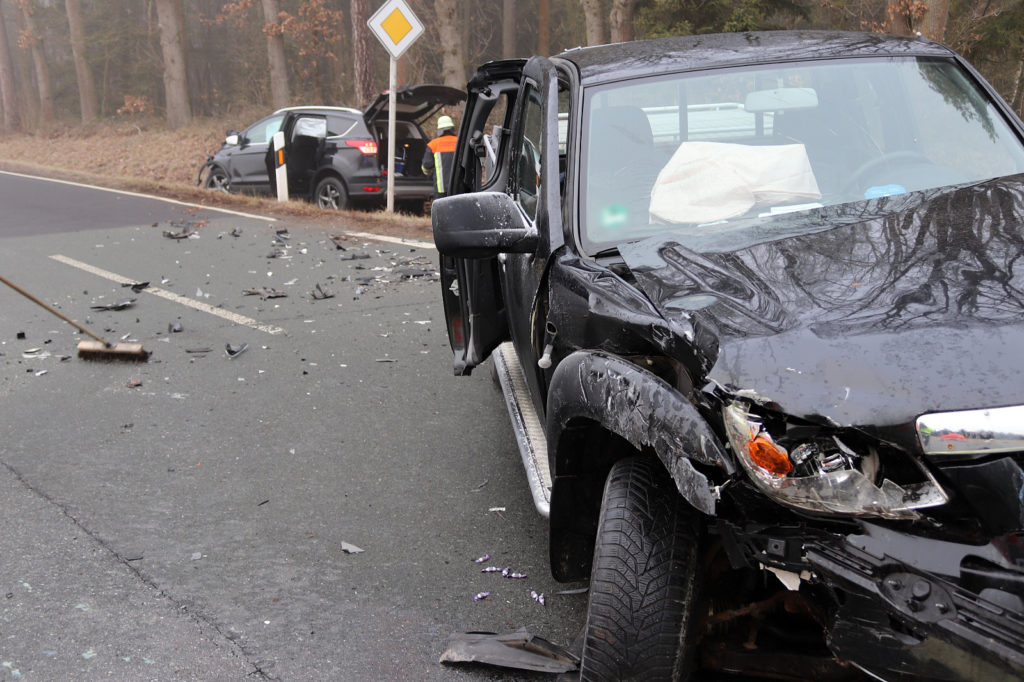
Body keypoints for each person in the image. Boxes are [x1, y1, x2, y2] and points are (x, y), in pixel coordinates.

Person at [422, 115, 458, 196]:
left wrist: (427, 172)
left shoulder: (433, 145)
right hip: (458, 188)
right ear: (452, 128)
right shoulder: (460, 142)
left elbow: (426, 166)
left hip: (441, 189)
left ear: (439, 130)